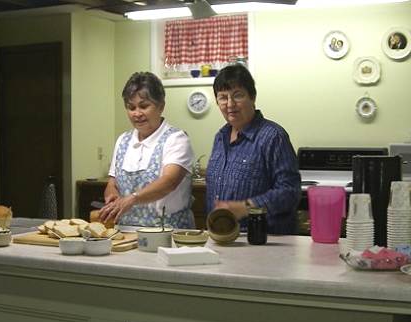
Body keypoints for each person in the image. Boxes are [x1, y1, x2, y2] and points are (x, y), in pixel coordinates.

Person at [206, 64, 301, 235]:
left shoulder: (273, 137)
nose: (230, 104)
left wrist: (246, 207)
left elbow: (290, 192)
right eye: (223, 97)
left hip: (265, 241)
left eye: (238, 95)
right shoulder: (220, 137)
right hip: (223, 239)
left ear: (253, 97)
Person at [99, 72, 195, 229]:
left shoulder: (176, 139)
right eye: (131, 107)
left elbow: (169, 182)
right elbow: (112, 182)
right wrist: (112, 195)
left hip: (168, 232)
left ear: (161, 106)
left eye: (144, 106)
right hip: (125, 232)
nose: (137, 113)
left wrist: (132, 198)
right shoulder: (123, 141)